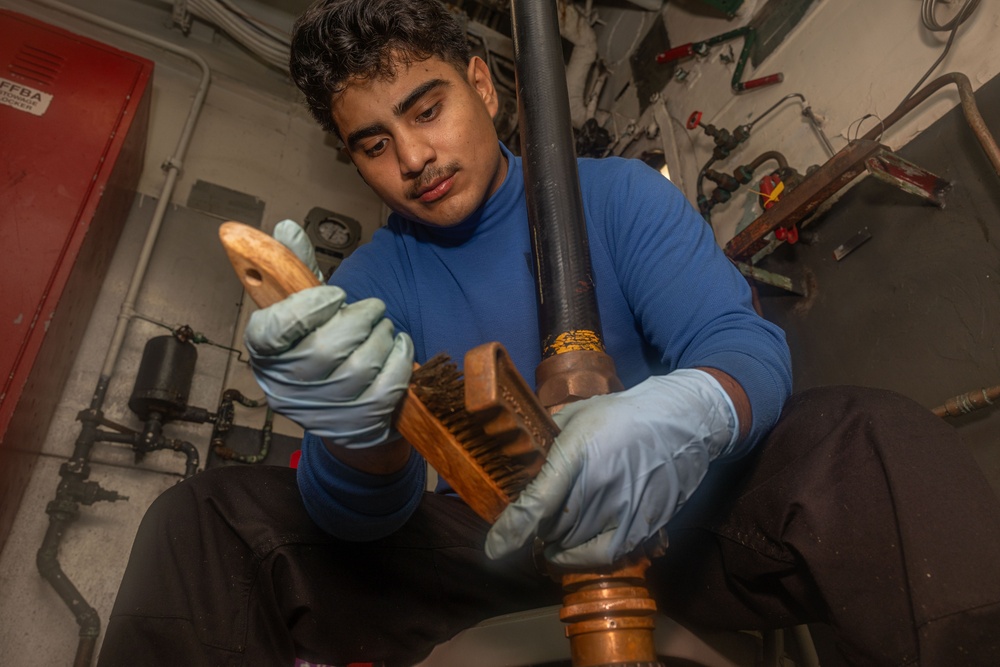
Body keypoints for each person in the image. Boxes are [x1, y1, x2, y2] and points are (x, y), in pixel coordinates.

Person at [99, 1, 1000, 665]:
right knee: (204, 520)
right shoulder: (368, 286)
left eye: (424, 108)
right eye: (372, 143)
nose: (411, 159)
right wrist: (359, 434)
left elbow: (746, 347)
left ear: (484, 86)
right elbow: (356, 521)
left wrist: (679, 414)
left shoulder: (616, 196)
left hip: (673, 532)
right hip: (480, 559)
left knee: (865, 437)